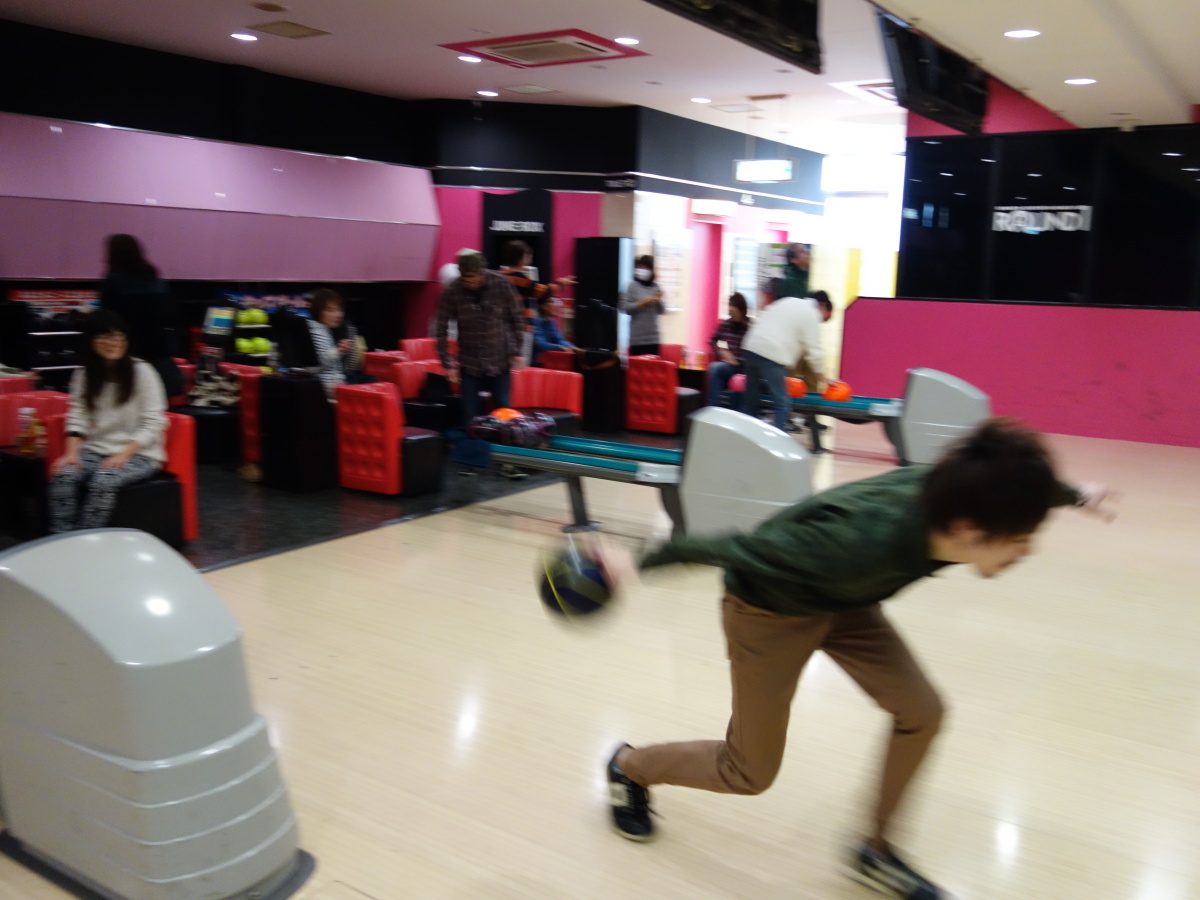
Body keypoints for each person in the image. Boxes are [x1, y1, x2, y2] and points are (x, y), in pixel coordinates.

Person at [603, 419, 1114, 899]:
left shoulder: (959, 491)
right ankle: (629, 767)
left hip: (842, 600)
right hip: (769, 610)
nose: (1026, 551)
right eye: (1019, 539)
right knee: (748, 772)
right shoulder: (858, 540)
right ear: (964, 528)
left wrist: (1075, 495)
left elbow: (1012, 480)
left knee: (922, 712)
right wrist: (639, 562)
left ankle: (876, 851)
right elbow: (741, 547)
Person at [49, 310, 167, 533]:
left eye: (119, 336)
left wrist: (122, 455)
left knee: (104, 479)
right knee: (64, 476)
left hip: (140, 454)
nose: (114, 342)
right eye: (105, 337)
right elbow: (78, 414)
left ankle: (87, 540)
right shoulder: (84, 373)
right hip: (95, 450)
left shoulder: (142, 371)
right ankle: (62, 538)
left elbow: (154, 422)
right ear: (91, 341)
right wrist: (71, 454)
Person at [435, 253, 526, 479]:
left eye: (474, 278)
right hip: (470, 361)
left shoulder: (501, 284)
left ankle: (508, 463)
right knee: (470, 413)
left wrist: (518, 350)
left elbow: (516, 318)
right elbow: (441, 329)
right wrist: (448, 363)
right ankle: (472, 463)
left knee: (504, 410)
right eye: (466, 278)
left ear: (483, 273)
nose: (470, 282)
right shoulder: (453, 291)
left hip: (499, 357)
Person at [738, 278, 831, 433]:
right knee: (781, 403)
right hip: (771, 354)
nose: (821, 319)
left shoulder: (788, 301)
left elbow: (762, 316)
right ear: (822, 306)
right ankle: (778, 441)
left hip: (750, 347)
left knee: (751, 400)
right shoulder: (811, 313)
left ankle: (745, 437)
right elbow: (815, 350)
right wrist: (823, 377)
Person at [99, 234, 183, 397]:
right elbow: (171, 315)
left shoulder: (114, 281)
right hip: (159, 354)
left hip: (129, 353)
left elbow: (107, 320)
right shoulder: (154, 278)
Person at [305, 289, 362, 399]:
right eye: (330, 310)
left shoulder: (324, 330)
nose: (337, 315)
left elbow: (350, 365)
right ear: (318, 311)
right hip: (326, 389)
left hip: (334, 386)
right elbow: (315, 367)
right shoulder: (317, 332)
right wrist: (338, 350)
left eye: (339, 310)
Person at [706, 293, 751, 407]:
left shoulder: (750, 327)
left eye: (734, 312)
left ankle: (731, 408)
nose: (731, 315)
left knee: (736, 378)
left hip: (746, 367)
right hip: (730, 366)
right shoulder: (725, 325)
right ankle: (714, 407)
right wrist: (721, 351)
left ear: (742, 311)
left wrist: (740, 360)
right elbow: (712, 340)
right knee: (715, 368)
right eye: (730, 312)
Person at [620, 255, 665, 357]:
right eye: (640, 267)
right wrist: (642, 303)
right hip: (637, 338)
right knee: (637, 364)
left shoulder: (655, 287)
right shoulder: (632, 286)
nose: (642, 270)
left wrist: (658, 300)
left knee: (653, 365)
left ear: (651, 270)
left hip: (653, 338)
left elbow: (662, 311)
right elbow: (625, 308)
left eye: (646, 267)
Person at [531, 295, 583, 362]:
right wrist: (561, 347)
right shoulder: (535, 320)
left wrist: (573, 347)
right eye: (552, 302)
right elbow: (540, 344)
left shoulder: (551, 321)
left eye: (556, 302)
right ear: (542, 306)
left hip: (545, 360)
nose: (556, 305)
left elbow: (558, 339)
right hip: (534, 361)